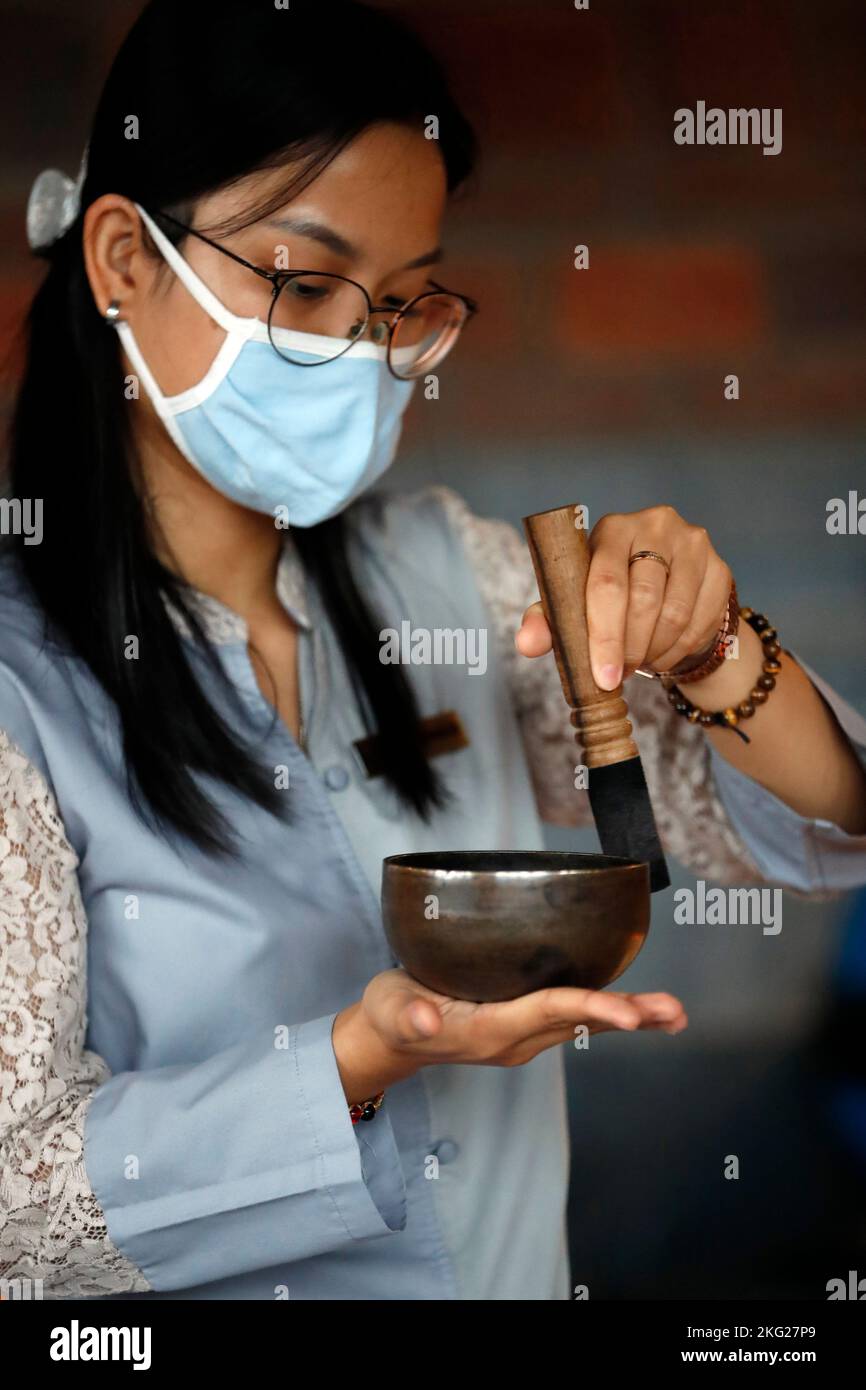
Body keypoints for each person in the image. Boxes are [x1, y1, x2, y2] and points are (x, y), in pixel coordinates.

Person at [1, 0, 864, 1302]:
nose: (361, 349)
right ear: (123, 256)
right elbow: (16, 1216)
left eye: (403, 302)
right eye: (303, 280)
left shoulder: (457, 576)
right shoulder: (20, 689)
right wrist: (357, 1056)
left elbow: (814, 825)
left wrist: (714, 649)